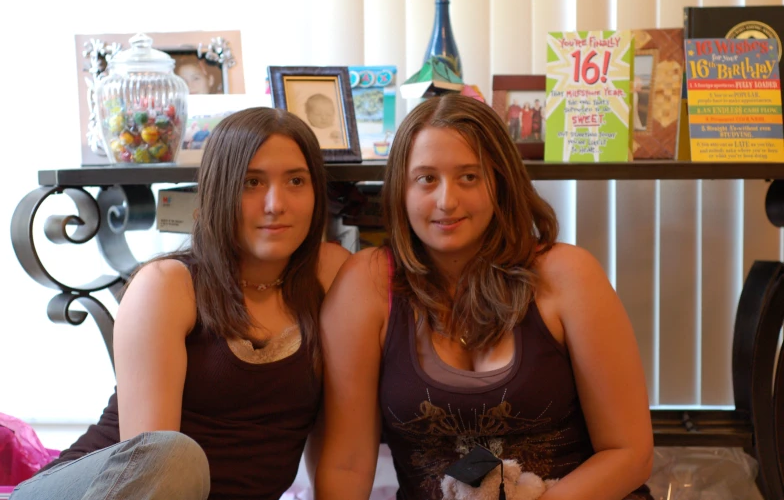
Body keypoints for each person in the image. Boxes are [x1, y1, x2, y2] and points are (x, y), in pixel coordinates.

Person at [316, 94, 654, 500]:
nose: (447, 201)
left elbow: (629, 453)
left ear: (499, 182)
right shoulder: (365, 283)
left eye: (469, 177)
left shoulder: (568, 274)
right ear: (400, 190)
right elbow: (345, 465)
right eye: (426, 179)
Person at [11, 107, 350, 500]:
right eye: (251, 183)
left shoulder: (332, 277)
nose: (276, 203)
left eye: (296, 180)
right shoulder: (167, 285)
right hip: (96, 490)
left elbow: (340, 454)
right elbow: (152, 467)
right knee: (174, 455)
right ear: (219, 191)